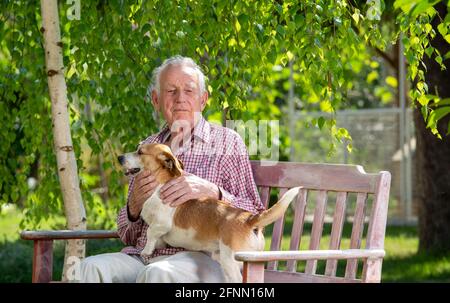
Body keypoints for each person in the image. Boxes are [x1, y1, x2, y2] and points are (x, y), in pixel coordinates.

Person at [78, 55, 264, 283]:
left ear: (203, 99)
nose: (180, 99)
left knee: (157, 274)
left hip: (200, 258)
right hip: (144, 255)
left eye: (189, 90)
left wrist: (214, 192)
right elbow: (127, 235)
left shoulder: (227, 143)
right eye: (170, 91)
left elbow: (255, 216)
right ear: (156, 100)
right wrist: (134, 205)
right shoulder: (146, 148)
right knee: (88, 268)